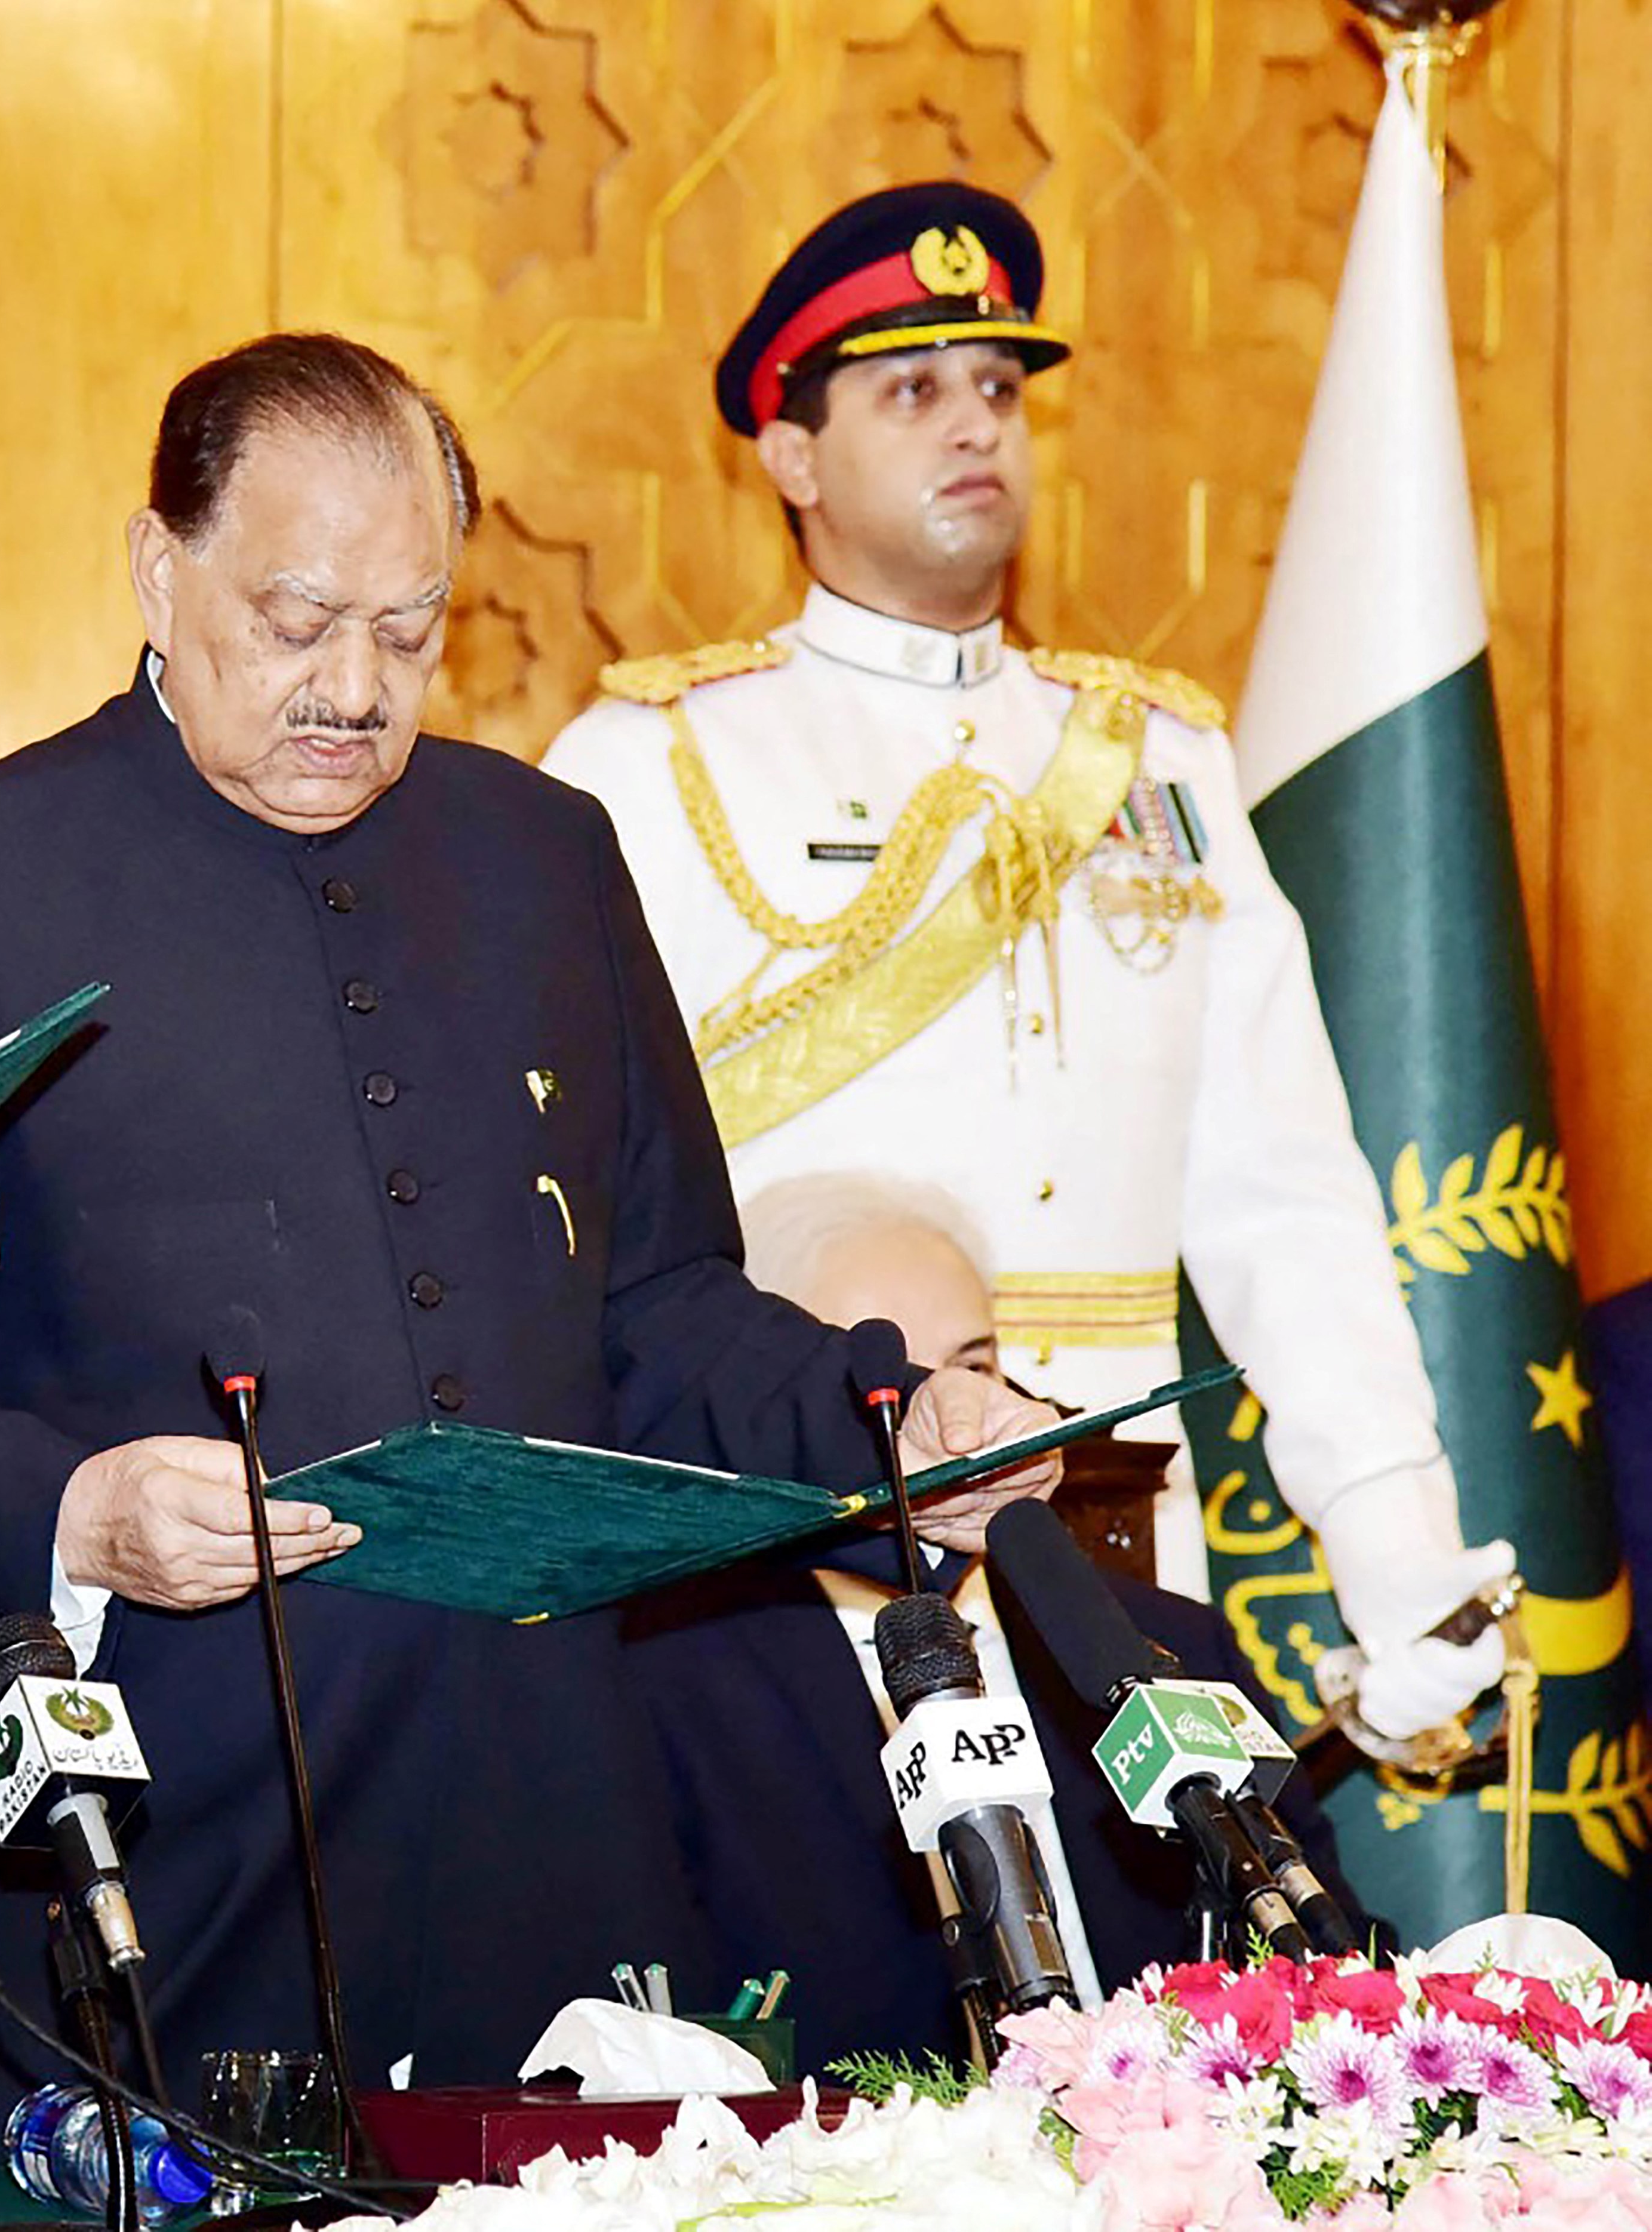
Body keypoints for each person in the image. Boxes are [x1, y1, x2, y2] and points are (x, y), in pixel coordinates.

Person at [0, 331, 1060, 2159]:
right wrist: (76, 1514)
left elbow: (657, 1304)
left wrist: (887, 1422)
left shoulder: (544, 856)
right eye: (296, 622)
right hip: (160, 1833)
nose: (353, 689)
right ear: (157, 568)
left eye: (409, 628)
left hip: (554, 1814)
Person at [540, 181, 1509, 1747]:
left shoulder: (1165, 762)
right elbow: (579, 1212)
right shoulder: (651, 759)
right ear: (790, 456)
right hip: (804, 1525)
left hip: (1119, 1526)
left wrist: (1395, 1541)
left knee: (1151, 1916)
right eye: (910, 390)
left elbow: (1282, 1197)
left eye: (996, 386)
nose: (973, 423)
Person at [620, 1170, 1366, 2070]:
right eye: (889, 1392)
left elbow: (1337, 1969)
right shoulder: (670, 1692)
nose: (957, 1425)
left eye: (972, 1367)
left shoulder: (1166, 1647)